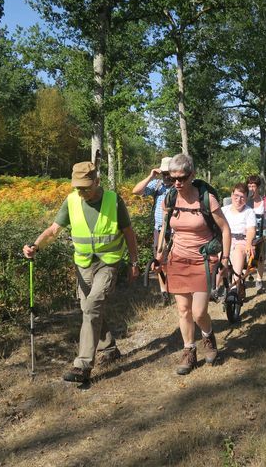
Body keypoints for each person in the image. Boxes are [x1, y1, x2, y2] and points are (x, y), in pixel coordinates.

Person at [23, 161, 140, 383]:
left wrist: (134, 263)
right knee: (88, 308)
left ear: (97, 181)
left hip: (108, 262)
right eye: (78, 187)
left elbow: (128, 233)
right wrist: (35, 246)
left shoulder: (113, 201)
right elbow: (53, 230)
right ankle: (110, 349)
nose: (82, 191)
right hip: (83, 264)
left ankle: (83, 365)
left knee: (94, 303)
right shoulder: (71, 201)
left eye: (86, 187)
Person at [155, 154, 231, 375]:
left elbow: (225, 229)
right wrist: (160, 255)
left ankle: (207, 336)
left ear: (192, 175)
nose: (177, 182)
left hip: (203, 259)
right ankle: (189, 351)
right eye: (172, 178)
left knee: (198, 312)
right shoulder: (169, 198)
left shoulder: (207, 199)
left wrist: (225, 259)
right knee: (183, 310)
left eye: (182, 177)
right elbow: (165, 230)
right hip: (177, 259)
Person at [132, 156, 173, 305]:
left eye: (169, 173)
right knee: (159, 261)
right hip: (159, 229)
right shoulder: (157, 185)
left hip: (177, 230)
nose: (166, 176)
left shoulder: (180, 186)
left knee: (178, 261)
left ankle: (182, 290)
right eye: (164, 173)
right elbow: (135, 191)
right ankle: (165, 294)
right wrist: (150, 176)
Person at [220, 183, 257, 292]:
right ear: (231, 195)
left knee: (238, 253)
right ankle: (216, 288)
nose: (238, 199)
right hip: (225, 240)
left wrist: (249, 243)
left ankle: (235, 287)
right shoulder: (223, 210)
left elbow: (251, 230)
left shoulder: (249, 212)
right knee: (217, 256)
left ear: (246, 198)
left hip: (241, 241)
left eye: (242, 197)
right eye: (236, 196)